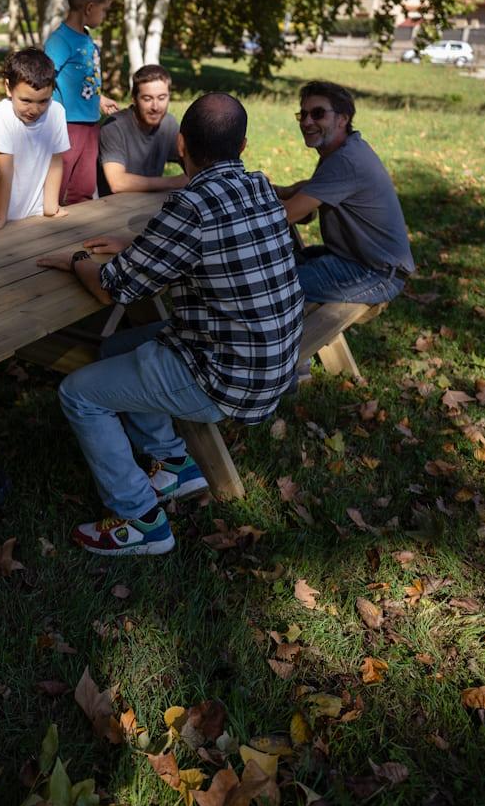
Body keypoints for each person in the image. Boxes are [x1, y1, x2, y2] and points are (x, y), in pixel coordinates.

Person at [37, 93, 303, 557]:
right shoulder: (258, 186)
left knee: (78, 393)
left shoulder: (192, 204)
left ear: (180, 144)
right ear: (242, 147)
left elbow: (109, 289)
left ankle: (140, 519)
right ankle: (173, 464)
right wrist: (140, 242)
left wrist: (75, 258)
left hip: (225, 378)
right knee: (115, 347)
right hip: (272, 362)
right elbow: (200, 244)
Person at [272, 80, 414, 304]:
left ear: (342, 119)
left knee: (266, 286)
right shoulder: (342, 150)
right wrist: (277, 191)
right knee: (274, 264)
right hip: (352, 258)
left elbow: (286, 215)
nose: (307, 122)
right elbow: (308, 199)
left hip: (374, 273)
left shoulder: (345, 161)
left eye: (318, 114)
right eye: (303, 114)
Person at [0, 48, 70, 232]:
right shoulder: (1, 115)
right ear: (8, 87)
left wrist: (50, 206)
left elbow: (55, 162)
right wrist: (0, 218)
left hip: (32, 215)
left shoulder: (57, 113)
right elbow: (4, 169)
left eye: (43, 101)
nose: (34, 110)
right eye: (26, 100)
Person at [44, 0, 120, 207]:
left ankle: (78, 231)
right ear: (89, 8)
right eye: (104, 10)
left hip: (89, 125)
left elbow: (82, 82)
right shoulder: (61, 40)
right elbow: (44, 78)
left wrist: (99, 99)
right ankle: (45, 231)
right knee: (58, 181)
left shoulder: (86, 38)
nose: (104, 16)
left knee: (85, 185)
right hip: (67, 126)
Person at [97, 64, 187, 196]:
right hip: (113, 209)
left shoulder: (168, 123)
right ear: (134, 98)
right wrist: (173, 182)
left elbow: (193, 162)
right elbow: (117, 183)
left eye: (162, 98)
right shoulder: (114, 127)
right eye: (147, 99)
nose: (155, 107)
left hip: (150, 204)